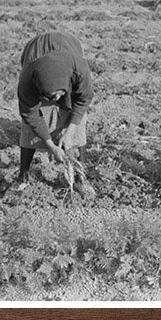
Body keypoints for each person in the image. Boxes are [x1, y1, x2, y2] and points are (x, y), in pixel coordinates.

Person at [15, 31, 95, 197]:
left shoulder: (79, 70)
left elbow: (83, 100)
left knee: (78, 126)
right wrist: (50, 144)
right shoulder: (28, 80)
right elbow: (30, 115)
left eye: (60, 94)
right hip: (35, 52)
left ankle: (81, 178)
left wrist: (70, 132)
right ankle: (23, 177)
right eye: (52, 96)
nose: (57, 99)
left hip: (68, 51)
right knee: (30, 131)